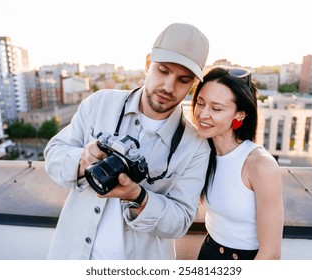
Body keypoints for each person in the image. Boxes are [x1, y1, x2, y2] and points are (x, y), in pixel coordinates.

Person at [44, 23, 210, 260]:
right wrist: (84, 159)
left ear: (193, 83)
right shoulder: (100, 103)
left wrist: (138, 196)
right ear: (147, 63)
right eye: (162, 70)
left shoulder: (195, 146)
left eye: (183, 79)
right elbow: (53, 156)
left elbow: (180, 221)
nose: (168, 86)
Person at [191, 66, 284, 260]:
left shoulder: (260, 165)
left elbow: (271, 253)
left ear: (239, 115)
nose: (203, 114)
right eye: (200, 103)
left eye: (216, 108)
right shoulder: (201, 152)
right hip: (208, 253)